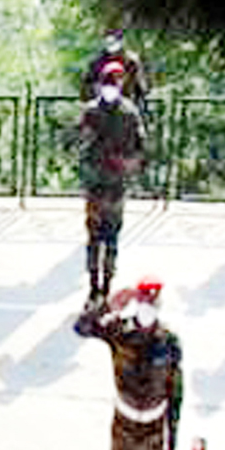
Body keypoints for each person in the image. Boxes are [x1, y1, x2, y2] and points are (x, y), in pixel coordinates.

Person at [74, 276, 182, 450]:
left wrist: (172, 441)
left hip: (154, 431)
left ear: (159, 304)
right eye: (143, 299)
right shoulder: (120, 331)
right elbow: (81, 327)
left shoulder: (169, 341)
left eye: (152, 301)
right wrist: (108, 305)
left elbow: (176, 394)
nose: (148, 306)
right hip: (124, 426)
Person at [80, 59, 146, 309]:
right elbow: (80, 143)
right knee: (96, 237)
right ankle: (95, 287)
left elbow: (140, 147)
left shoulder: (129, 113)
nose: (111, 86)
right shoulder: (93, 111)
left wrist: (129, 163)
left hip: (114, 184)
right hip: (98, 184)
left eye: (115, 82)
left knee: (110, 238)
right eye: (108, 81)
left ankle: (104, 286)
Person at [82, 28, 149, 119]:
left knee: (136, 115)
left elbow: (140, 85)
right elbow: (88, 82)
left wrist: (139, 94)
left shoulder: (131, 61)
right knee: (87, 115)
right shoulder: (97, 61)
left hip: (125, 98)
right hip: (101, 99)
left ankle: (142, 129)